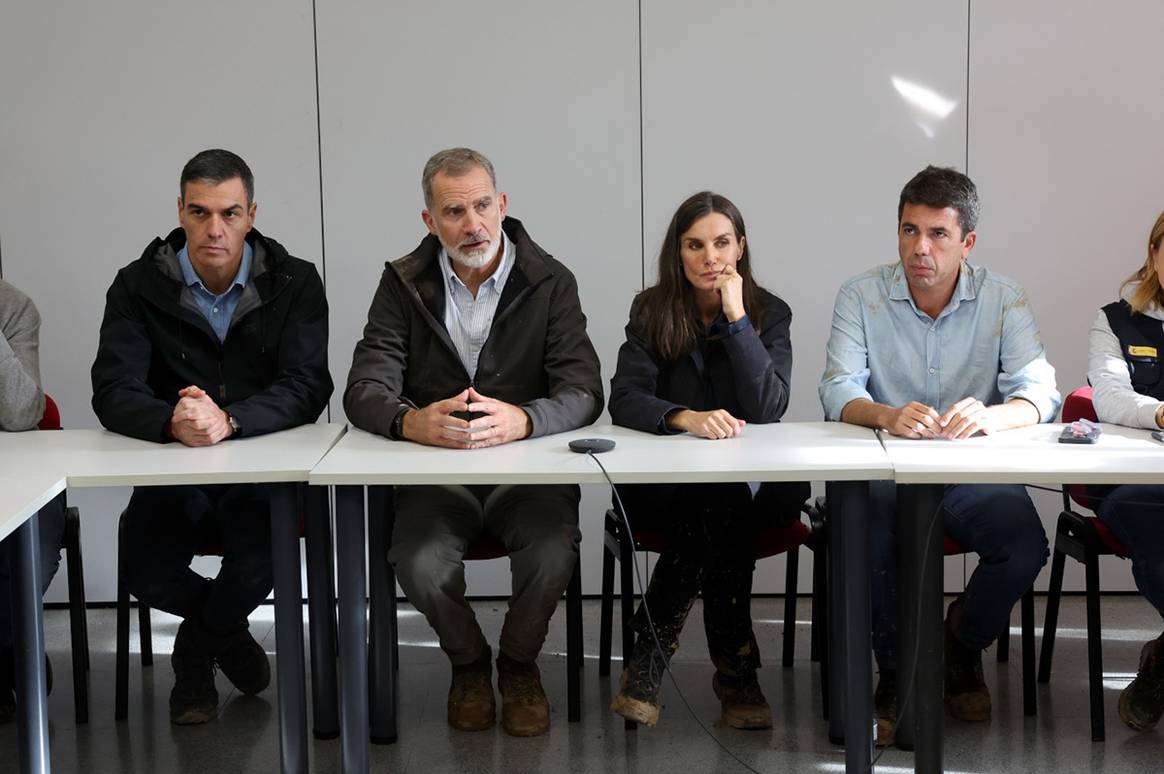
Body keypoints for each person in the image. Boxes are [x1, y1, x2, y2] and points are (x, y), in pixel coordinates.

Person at [345, 147, 603, 737]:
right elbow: (363, 387)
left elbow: (585, 388)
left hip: (528, 476)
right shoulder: (402, 283)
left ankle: (517, 665)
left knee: (552, 553)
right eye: (454, 211)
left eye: (482, 205)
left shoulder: (550, 280)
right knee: (417, 561)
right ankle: (469, 663)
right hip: (435, 477)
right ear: (429, 221)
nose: (472, 224)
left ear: (503, 203)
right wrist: (410, 421)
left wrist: (526, 420)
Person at [91, 149, 333, 725]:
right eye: (199, 212)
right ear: (180, 210)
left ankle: (194, 655)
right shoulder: (136, 284)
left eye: (229, 213)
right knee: (141, 567)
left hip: (258, 470)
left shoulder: (294, 280)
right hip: (175, 470)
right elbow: (112, 388)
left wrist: (231, 420)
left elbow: (308, 383)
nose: (213, 229)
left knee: (260, 559)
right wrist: (170, 422)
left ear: (252, 214)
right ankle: (227, 635)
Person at [819, 165, 1060, 743]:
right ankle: (897, 672)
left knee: (1024, 544)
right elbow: (837, 388)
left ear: (967, 242)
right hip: (884, 469)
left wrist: (992, 414)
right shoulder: (861, 293)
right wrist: (885, 413)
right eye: (908, 231)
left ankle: (959, 643)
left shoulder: (1003, 298)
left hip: (968, 470)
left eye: (936, 234)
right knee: (871, 533)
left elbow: (1042, 391)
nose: (919, 249)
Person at [607, 191, 808, 729]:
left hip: (753, 490)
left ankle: (649, 651)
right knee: (718, 504)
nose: (709, 258)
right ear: (678, 253)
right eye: (695, 246)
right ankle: (736, 671)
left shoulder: (770, 312)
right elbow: (623, 397)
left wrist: (738, 320)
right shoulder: (652, 311)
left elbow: (769, 406)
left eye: (721, 243)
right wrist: (684, 417)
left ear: (740, 248)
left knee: (723, 503)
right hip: (664, 491)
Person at [1087, 208, 1164, 731]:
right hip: (1136, 481)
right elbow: (1109, 399)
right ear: (1154, 254)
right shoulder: (1115, 319)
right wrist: (1159, 411)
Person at [0, 279, 65, 723]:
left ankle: (7, 644)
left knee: (28, 560)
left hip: (16, 475)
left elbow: (23, 413)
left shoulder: (14, 309)